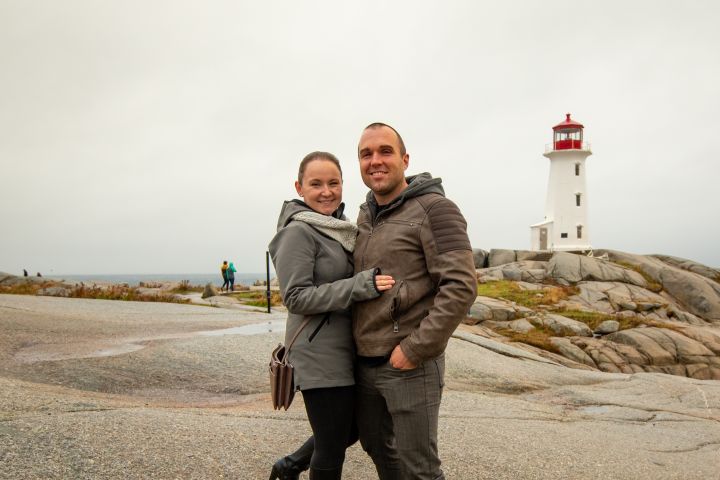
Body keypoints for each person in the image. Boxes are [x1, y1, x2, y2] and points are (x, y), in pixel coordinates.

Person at [352, 123, 477, 479]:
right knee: (378, 450)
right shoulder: (364, 216)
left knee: (419, 468)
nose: (375, 161)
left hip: (409, 365)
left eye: (385, 151)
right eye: (366, 154)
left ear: (405, 159)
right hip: (364, 363)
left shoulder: (436, 209)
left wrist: (416, 348)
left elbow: (461, 285)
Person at [268, 151, 395, 480]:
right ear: (300, 187)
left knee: (350, 428)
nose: (326, 191)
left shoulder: (338, 229)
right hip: (318, 352)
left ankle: (290, 466)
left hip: (345, 348)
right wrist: (360, 286)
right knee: (331, 446)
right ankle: (291, 466)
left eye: (333, 183)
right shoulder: (298, 232)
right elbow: (295, 297)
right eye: (316, 184)